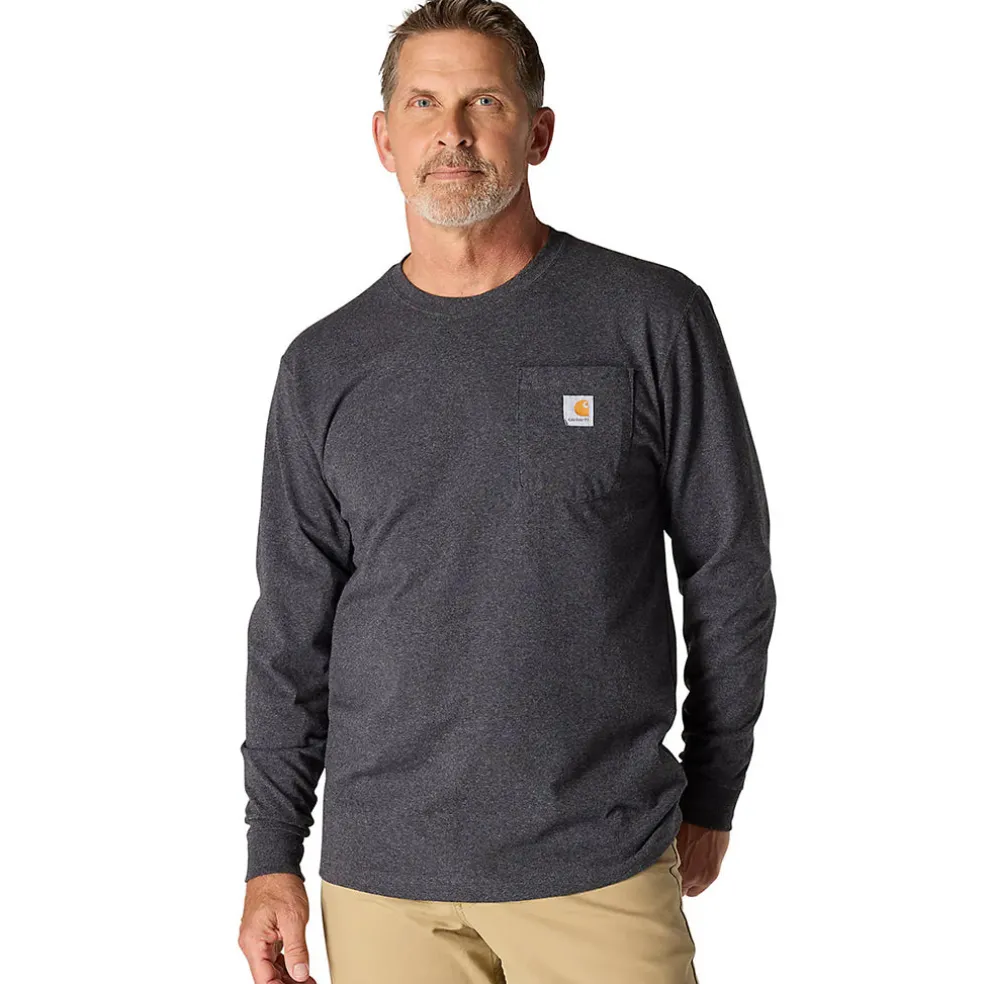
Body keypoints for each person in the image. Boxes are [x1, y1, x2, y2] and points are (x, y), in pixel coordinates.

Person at [237, 1, 777, 981]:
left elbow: (728, 567)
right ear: (384, 139)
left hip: (599, 862)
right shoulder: (323, 365)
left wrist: (715, 787)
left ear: (538, 132)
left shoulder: (651, 318)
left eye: (484, 101)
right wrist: (271, 852)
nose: (452, 132)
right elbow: (290, 627)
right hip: (383, 882)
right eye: (423, 103)